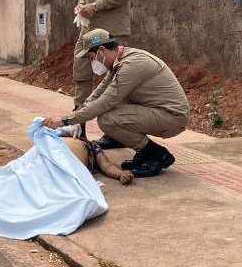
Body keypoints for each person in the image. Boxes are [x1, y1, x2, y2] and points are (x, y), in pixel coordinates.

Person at [42, 29, 190, 178]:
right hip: (157, 111)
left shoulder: (131, 65)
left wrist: (65, 121)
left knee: (107, 119)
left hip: (172, 118)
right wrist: (78, 119)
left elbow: (104, 103)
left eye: (91, 57)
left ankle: (157, 154)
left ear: (101, 50)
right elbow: (98, 93)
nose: (91, 62)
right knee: (112, 103)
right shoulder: (120, 61)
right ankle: (130, 144)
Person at [71, 0, 136, 150]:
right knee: (80, 70)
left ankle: (119, 133)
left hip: (111, 29)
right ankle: (78, 126)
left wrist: (95, 6)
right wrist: (81, 4)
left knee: (117, 81)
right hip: (89, 26)